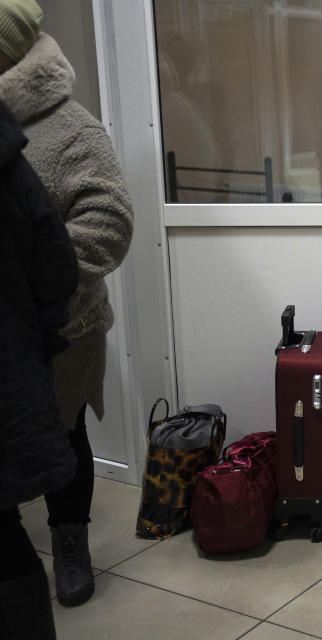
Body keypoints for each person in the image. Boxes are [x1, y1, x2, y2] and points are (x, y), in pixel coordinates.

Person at [0, 0, 134, 607]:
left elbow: (109, 221)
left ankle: (70, 539)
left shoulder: (69, 126)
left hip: (64, 329)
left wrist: (35, 281)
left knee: (63, 433)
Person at [0, 97, 79, 638]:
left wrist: (46, 329)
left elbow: (64, 257)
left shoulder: (71, 125)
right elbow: (53, 262)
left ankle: (73, 541)